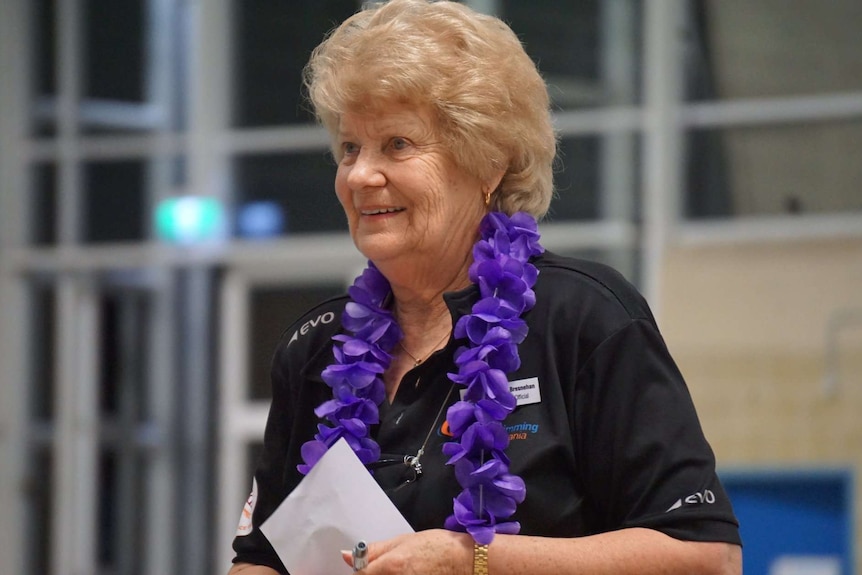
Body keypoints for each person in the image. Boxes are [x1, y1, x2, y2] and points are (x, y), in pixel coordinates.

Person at [228, 1, 742, 574]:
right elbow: (260, 560)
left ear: (489, 163)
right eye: (350, 147)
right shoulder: (314, 350)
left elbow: (706, 559)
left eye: (397, 144)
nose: (359, 175)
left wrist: (473, 560)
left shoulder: (582, 318)